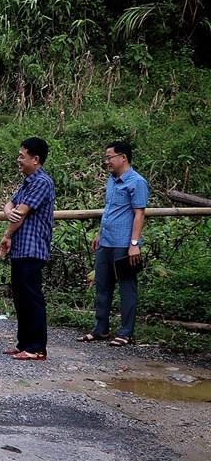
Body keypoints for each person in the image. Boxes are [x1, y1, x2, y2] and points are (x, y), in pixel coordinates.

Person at [77, 141, 149, 347]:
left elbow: (139, 214)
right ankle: (100, 329)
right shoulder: (111, 180)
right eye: (106, 158)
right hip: (106, 241)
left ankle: (126, 332)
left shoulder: (137, 182)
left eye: (110, 157)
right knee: (102, 286)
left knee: (127, 287)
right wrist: (99, 234)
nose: (107, 161)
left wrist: (134, 244)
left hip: (124, 244)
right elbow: (110, 210)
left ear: (123, 157)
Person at [0, 137, 56, 361]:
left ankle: (37, 348)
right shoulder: (27, 182)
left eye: (22, 156)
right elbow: (10, 205)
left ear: (36, 159)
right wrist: (8, 212)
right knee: (21, 297)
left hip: (33, 247)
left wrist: (7, 234)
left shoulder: (42, 182)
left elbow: (20, 213)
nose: (18, 160)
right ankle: (24, 343)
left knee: (31, 297)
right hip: (21, 248)